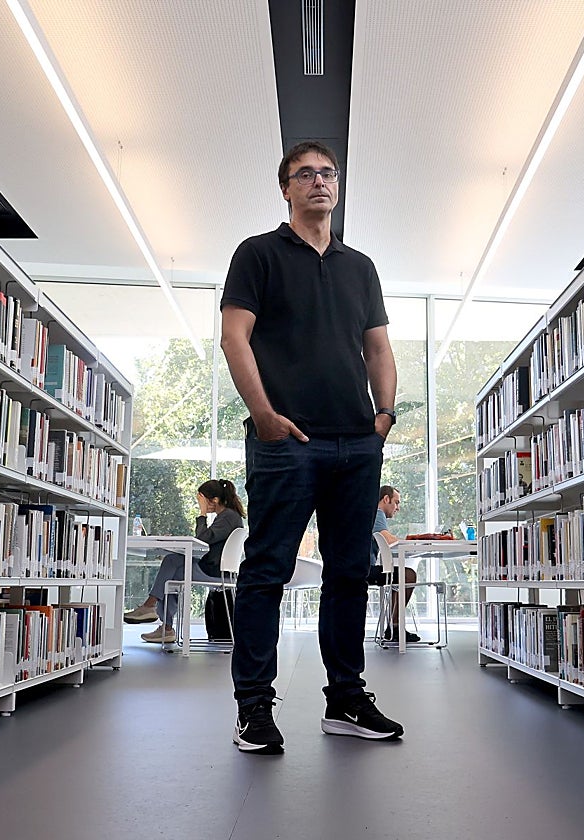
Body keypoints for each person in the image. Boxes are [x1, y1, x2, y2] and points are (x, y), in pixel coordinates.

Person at [220, 139, 402, 755]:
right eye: (305, 174)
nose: (319, 182)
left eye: (328, 173)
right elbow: (233, 338)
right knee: (266, 572)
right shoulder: (258, 255)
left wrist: (383, 416)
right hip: (287, 444)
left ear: (338, 184)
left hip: (358, 442)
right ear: (286, 188)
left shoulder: (360, 267)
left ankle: (345, 700)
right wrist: (264, 416)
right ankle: (254, 710)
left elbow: (377, 348)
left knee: (350, 575)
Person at [123, 479, 246, 645]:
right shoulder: (227, 517)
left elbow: (203, 539)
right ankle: (162, 623)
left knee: (171, 566)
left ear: (214, 500)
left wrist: (202, 514)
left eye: (202, 501)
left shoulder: (228, 517)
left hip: (215, 572)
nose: (200, 505)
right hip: (214, 569)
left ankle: (154, 612)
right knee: (172, 566)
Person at [368, 485, 420, 644]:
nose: (397, 508)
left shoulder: (373, 514)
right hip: (365, 570)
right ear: (386, 499)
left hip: (360, 567)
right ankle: (395, 627)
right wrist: (412, 542)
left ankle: (394, 626)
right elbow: (388, 540)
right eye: (396, 502)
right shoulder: (377, 514)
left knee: (399, 575)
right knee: (408, 575)